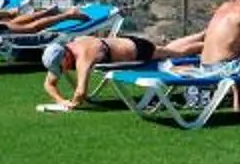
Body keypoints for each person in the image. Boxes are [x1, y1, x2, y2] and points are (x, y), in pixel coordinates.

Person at [39, 25, 206, 110]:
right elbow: (49, 84)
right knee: (167, 49)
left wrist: (72, 104)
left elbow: (81, 92)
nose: (63, 70)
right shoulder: (63, 52)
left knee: (173, 54)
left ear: (66, 56)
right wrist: (61, 100)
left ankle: (207, 45)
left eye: (62, 66)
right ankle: (203, 35)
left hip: (135, 50)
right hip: (122, 43)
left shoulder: (84, 55)